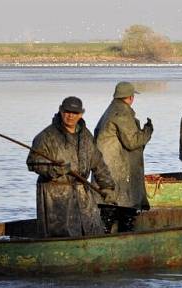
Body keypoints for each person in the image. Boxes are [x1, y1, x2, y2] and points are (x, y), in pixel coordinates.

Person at [27, 96, 116, 238]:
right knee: (61, 235)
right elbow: (33, 163)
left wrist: (107, 187)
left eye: (74, 113)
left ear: (81, 114)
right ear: (60, 111)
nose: (70, 116)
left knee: (92, 230)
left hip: (83, 193)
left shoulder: (86, 136)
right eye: (67, 111)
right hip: (56, 197)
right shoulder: (46, 136)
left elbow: (98, 163)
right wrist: (54, 170)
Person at [94, 81, 154, 210]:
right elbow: (132, 142)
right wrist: (147, 131)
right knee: (122, 207)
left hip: (104, 167)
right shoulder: (122, 113)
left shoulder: (110, 110)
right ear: (131, 97)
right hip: (114, 167)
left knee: (109, 207)